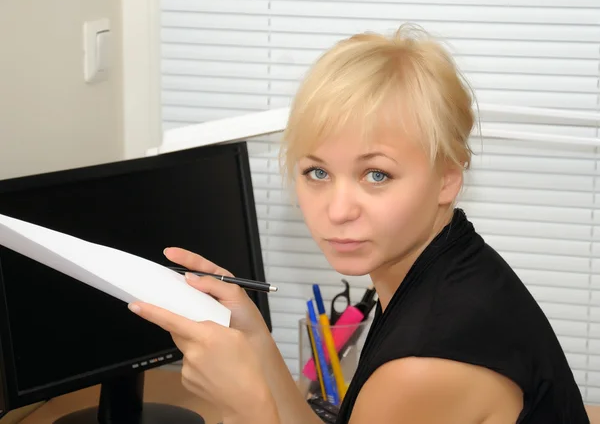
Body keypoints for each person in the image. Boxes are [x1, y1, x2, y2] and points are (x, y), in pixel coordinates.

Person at [127, 24, 590, 423]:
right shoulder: (444, 271)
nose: (338, 209)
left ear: (447, 179)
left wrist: (243, 405)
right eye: (318, 172)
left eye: (376, 175)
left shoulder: (425, 365)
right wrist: (255, 340)